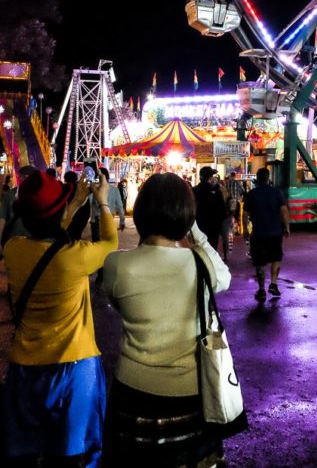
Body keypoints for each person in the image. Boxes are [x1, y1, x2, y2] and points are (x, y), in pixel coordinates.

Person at [101, 172, 239, 467]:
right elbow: (224, 278)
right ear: (187, 216)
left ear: (140, 213)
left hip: (132, 393)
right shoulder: (200, 264)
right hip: (191, 394)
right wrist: (197, 234)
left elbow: (115, 301)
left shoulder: (116, 265)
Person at [0, 167, 118, 466]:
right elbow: (110, 244)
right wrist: (102, 202)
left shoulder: (13, 250)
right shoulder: (74, 255)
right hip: (74, 367)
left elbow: (45, 231)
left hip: (25, 367)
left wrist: (74, 202)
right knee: (72, 455)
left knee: (24, 453)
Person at [244, 166, 290, 301]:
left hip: (258, 233)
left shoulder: (252, 194)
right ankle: (274, 284)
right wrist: (286, 227)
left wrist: (246, 229)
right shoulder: (276, 192)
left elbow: (245, 214)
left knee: (259, 261)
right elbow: (283, 211)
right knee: (276, 257)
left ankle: (262, 289)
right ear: (268, 178)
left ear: (257, 179)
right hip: (275, 232)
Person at [193, 165, 227, 250]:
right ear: (210, 178)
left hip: (198, 226)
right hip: (213, 226)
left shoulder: (194, 191)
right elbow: (222, 210)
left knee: (198, 248)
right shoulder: (216, 191)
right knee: (211, 248)